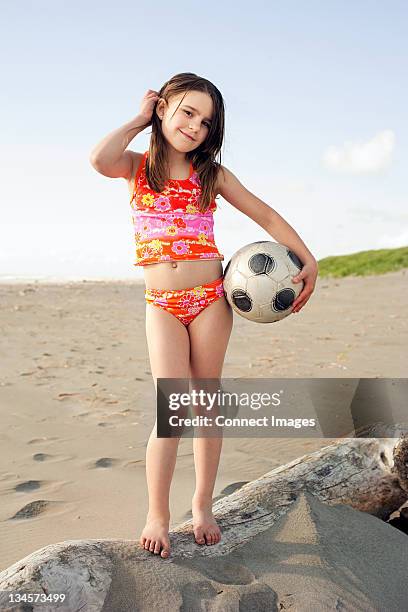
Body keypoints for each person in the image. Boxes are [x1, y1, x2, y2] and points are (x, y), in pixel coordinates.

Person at [89, 72, 318, 559]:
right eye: (186, 112)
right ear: (162, 109)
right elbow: (98, 158)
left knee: (206, 402)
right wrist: (136, 118)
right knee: (170, 412)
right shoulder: (136, 168)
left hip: (210, 300)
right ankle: (158, 512)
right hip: (163, 307)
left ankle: (202, 504)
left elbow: (269, 217)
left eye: (206, 120)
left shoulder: (211, 175)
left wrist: (308, 258)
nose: (194, 126)